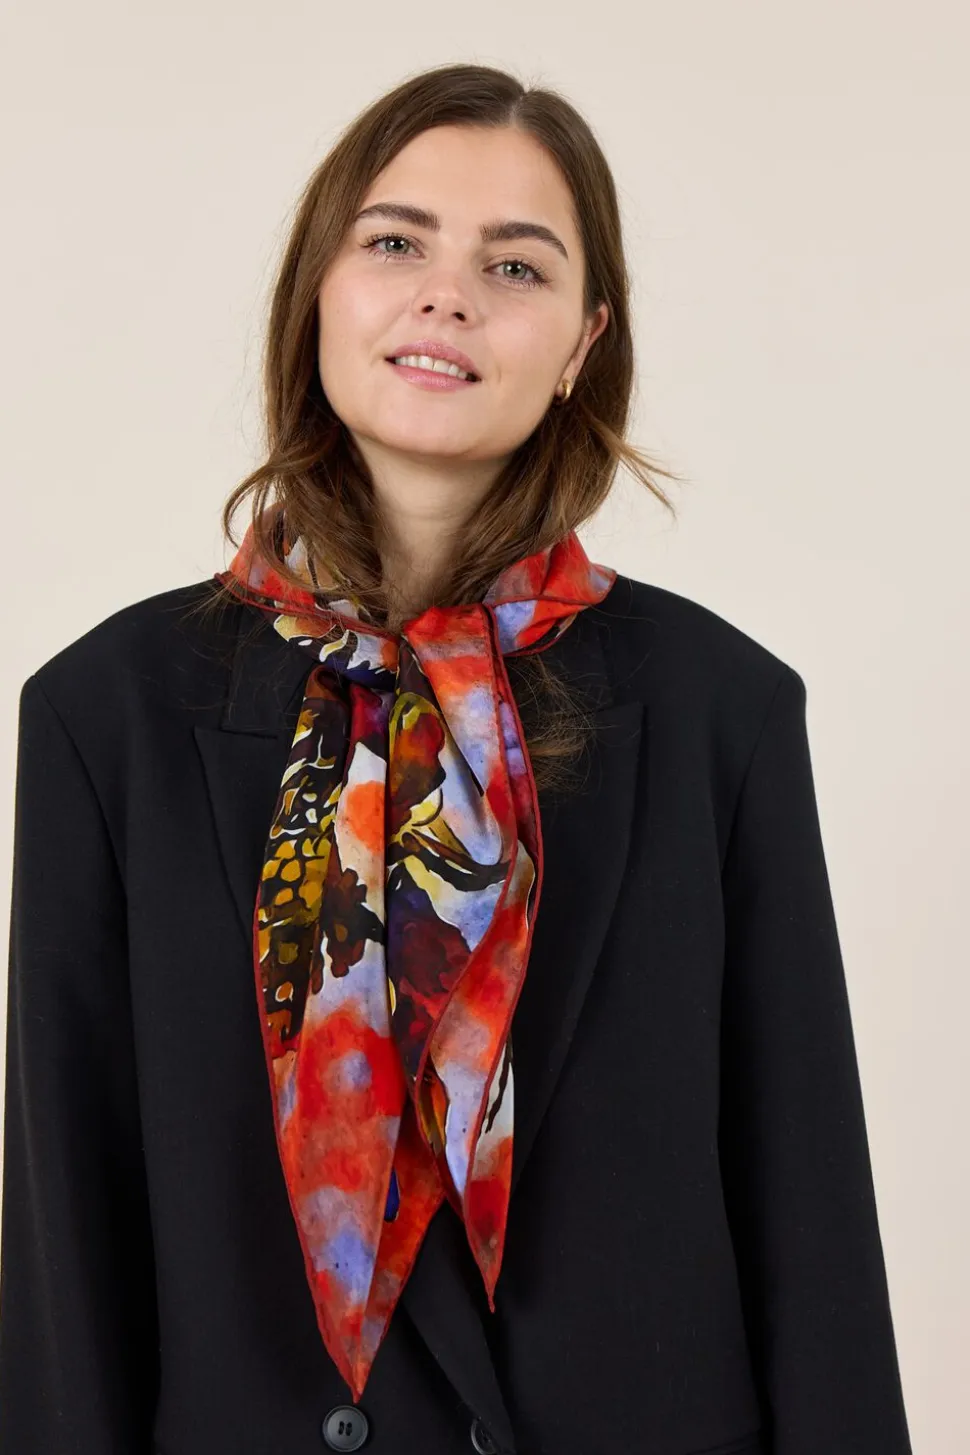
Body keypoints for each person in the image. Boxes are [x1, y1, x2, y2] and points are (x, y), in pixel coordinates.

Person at [0, 61, 912, 1455]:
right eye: (394, 243)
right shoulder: (104, 714)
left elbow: (811, 1217)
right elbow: (66, 1246)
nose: (447, 296)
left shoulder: (719, 708)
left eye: (515, 265)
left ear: (582, 344)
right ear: (317, 289)